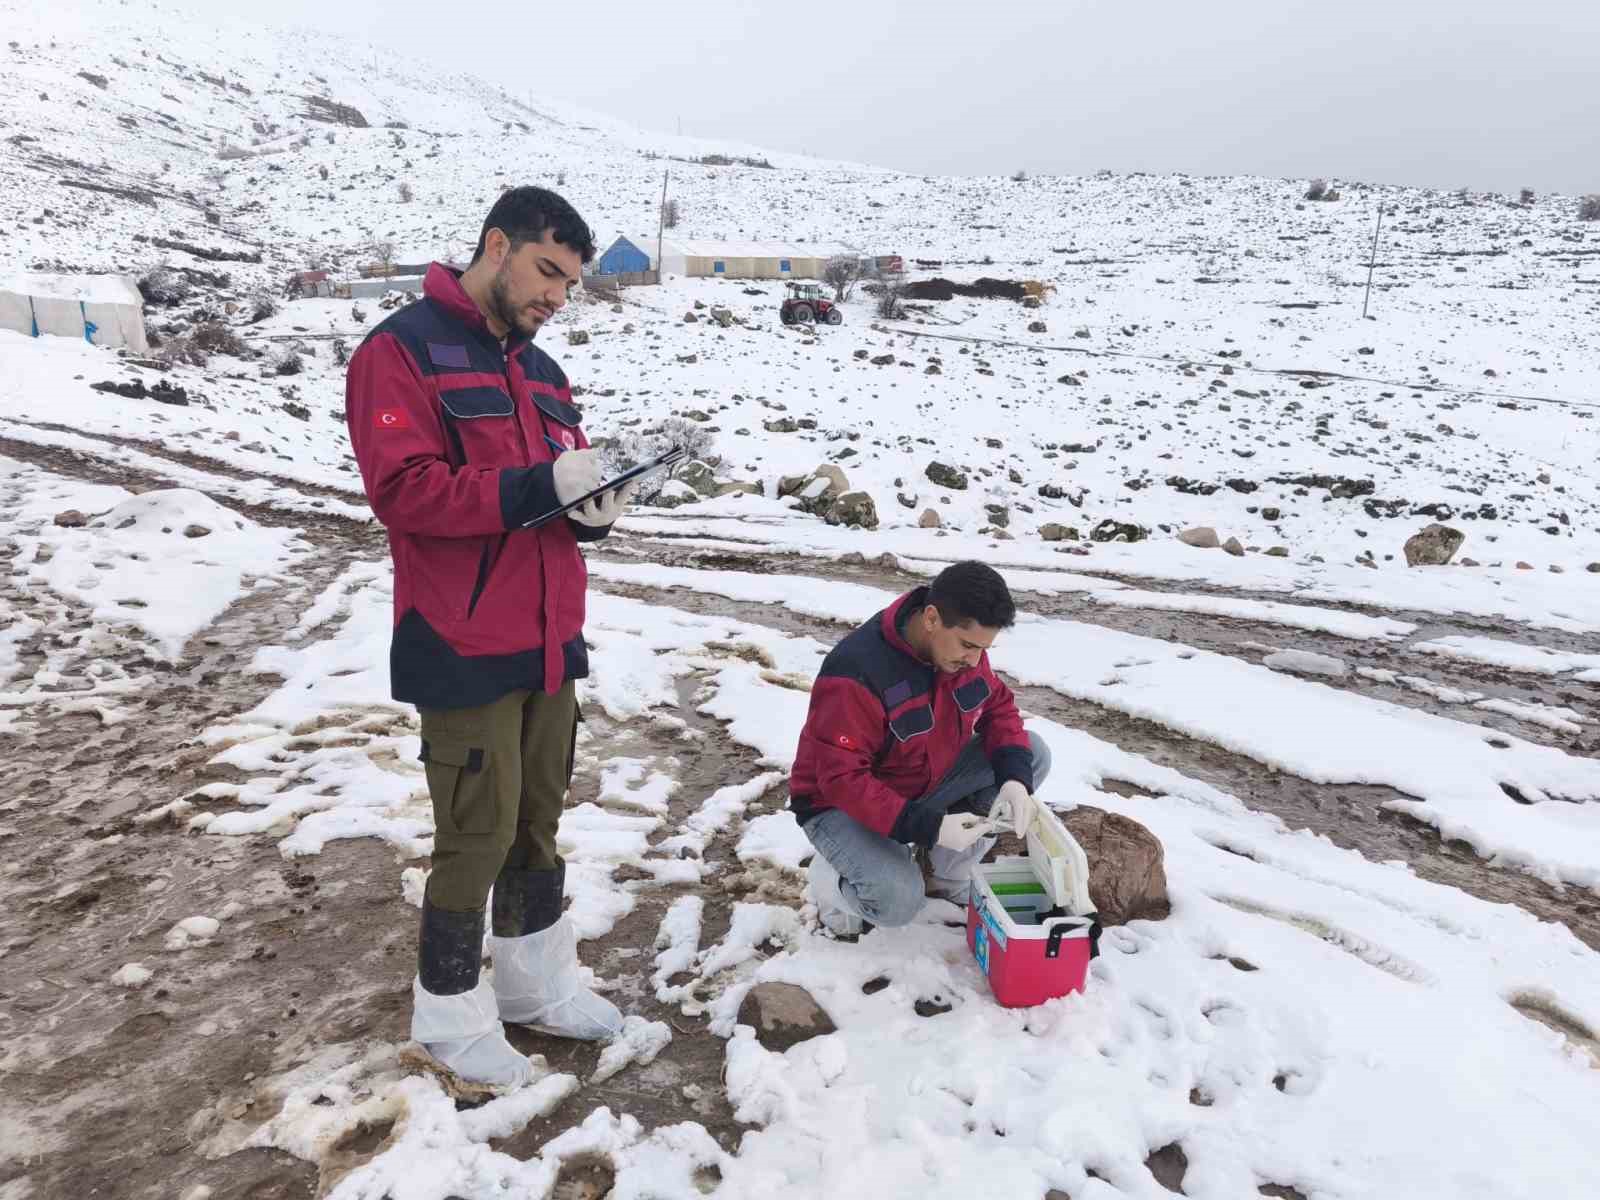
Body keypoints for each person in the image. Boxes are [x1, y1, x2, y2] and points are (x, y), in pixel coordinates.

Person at [345, 187, 632, 1089]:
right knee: (477, 832)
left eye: (571, 283)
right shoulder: (401, 351)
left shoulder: (543, 372)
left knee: (538, 821)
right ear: (497, 245)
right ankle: (450, 1017)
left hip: (550, 635)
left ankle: (535, 987)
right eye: (547, 271)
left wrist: (591, 510)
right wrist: (536, 484)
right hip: (460, 637)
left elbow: (556, 485)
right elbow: (407, 493)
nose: (557, 295)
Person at [788, 562, 1051, 935]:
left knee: (1031, 755)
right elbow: (841, 779)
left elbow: (999, 708)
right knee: (896, 903)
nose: (976, 660)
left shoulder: (959, 652)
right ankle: (831, 882)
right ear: (931, 618)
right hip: (839, 805)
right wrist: (929, 826)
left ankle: (944, 874)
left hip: (923, 783)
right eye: (968, 645)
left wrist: (1014, 780)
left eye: (984, 649)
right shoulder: (856, 672)